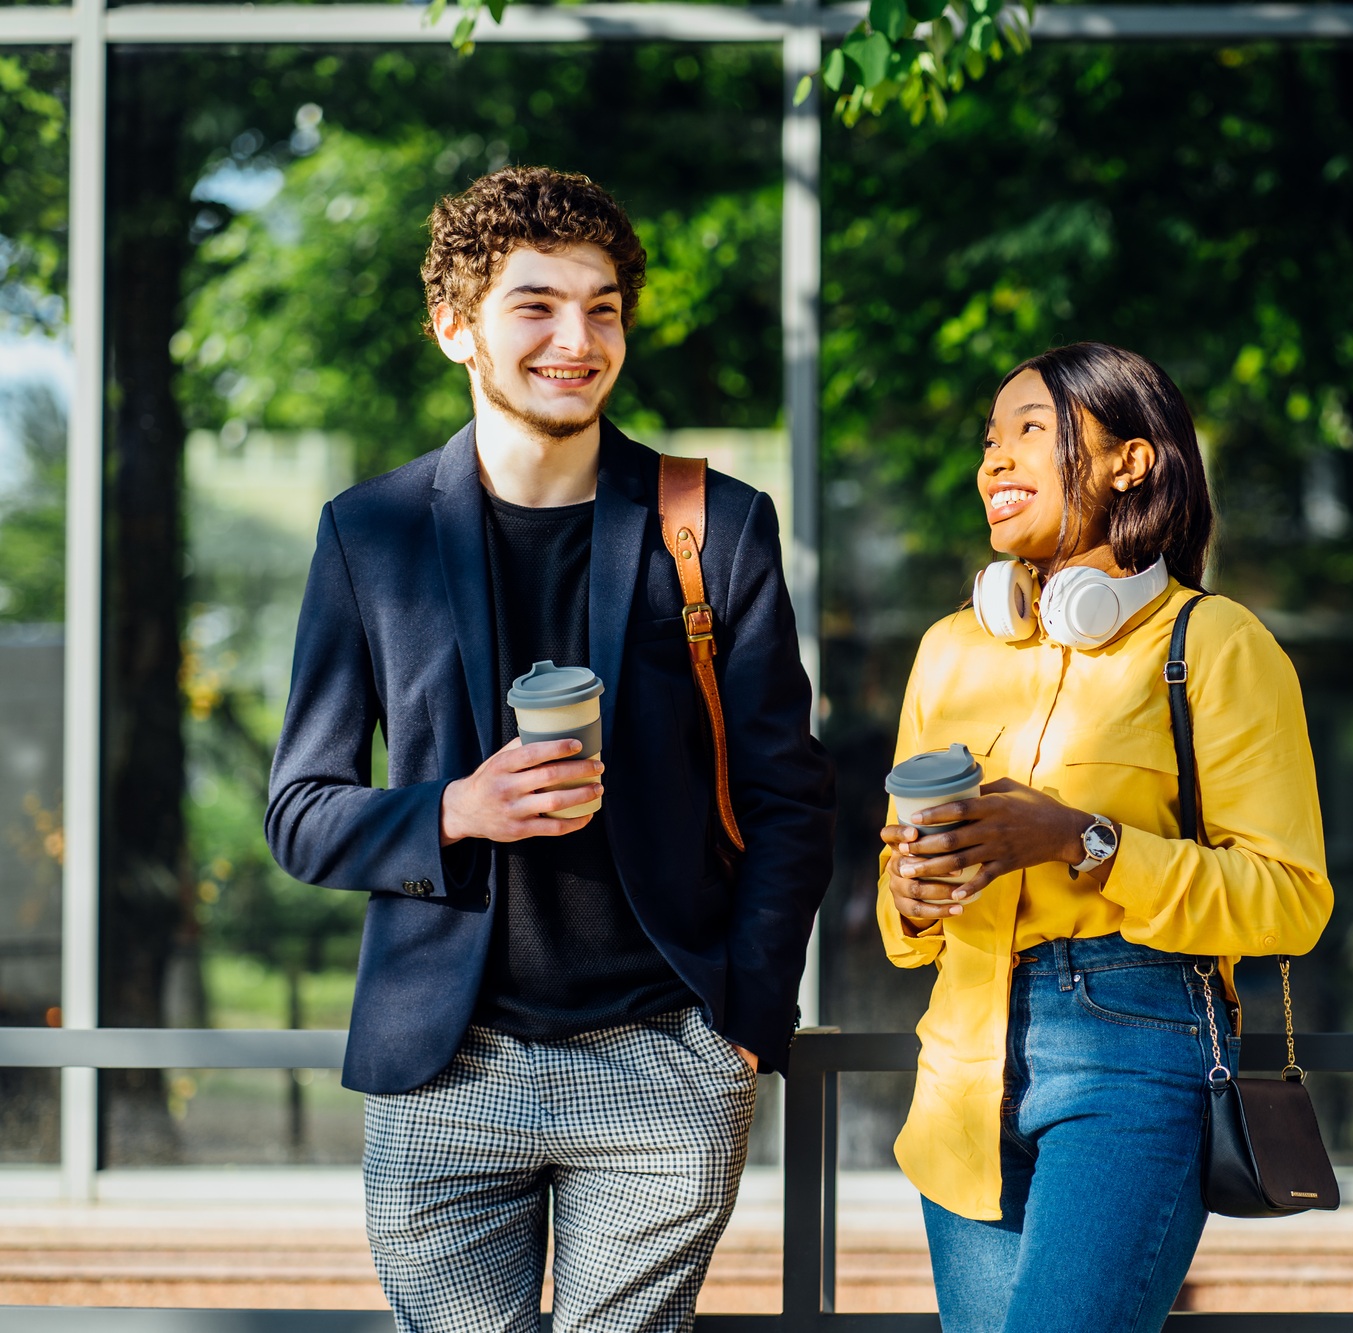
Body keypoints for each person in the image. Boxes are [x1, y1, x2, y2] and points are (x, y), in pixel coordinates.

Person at [266, 166, 835, 1333]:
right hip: (442, 1070)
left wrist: (741, 1027)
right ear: (455, 328)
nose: (577, 338)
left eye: (602, 306)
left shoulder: (714, 523)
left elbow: (791, 796)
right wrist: (453, 810)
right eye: (535, 304)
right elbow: (301, 810)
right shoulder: (367, 534)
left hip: (663, 1059)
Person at [877, 341, 1334, 1332]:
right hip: (963, 1063)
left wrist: (1084, 841)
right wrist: (911, 892)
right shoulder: (949, 651)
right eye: (988, 441)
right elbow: (894, 886)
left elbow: (1289, 898)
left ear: (1132, 460)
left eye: (1030, 431)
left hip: (1135, 1036)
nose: (993, 462)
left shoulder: (1212, 644)